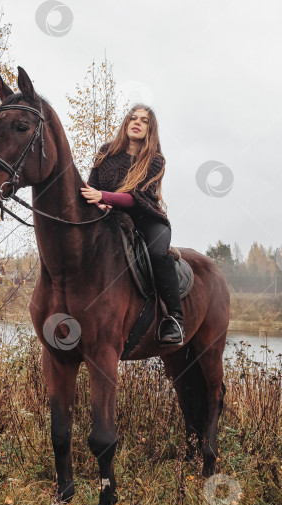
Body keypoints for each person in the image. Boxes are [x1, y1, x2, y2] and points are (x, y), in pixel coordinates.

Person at [80, 104, 184, 346]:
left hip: (147, 219)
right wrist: (98, 203)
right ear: (126, 124)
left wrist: (104, 197)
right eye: (133, 118)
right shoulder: (106, 152)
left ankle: (175, 319)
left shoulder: (155, 160)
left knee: (157, 254)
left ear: (150, 129)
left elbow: (135, 198)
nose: (137, 122)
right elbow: (91, 188)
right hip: (109, 218)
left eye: (144, 120)